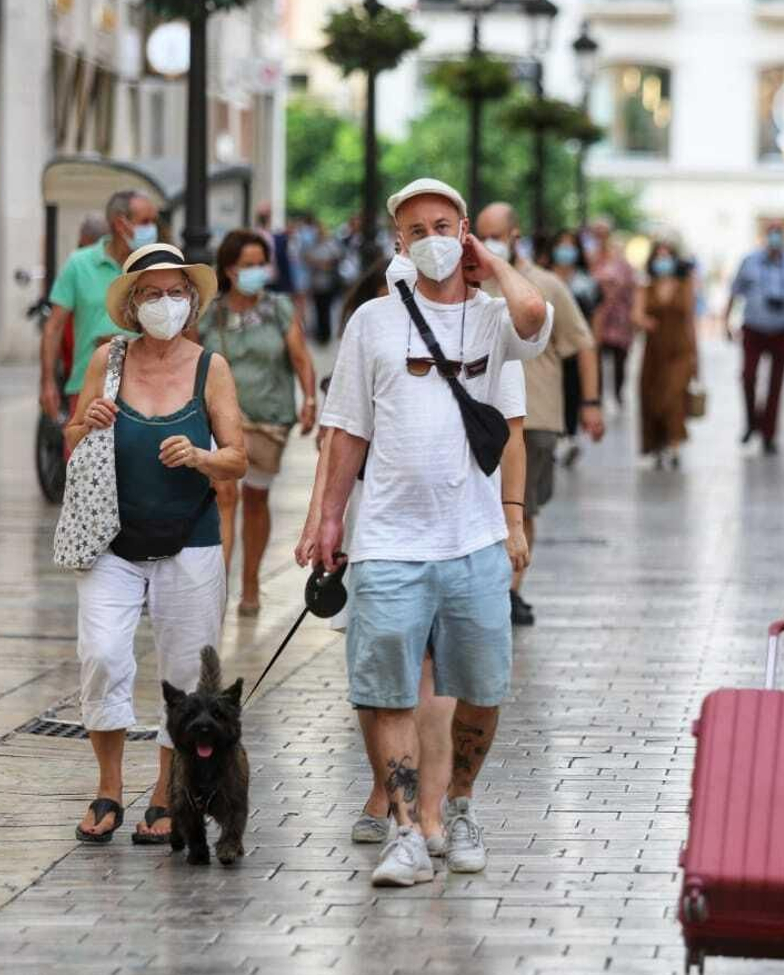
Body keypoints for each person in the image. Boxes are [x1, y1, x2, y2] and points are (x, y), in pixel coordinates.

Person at [314, 177, 551, 887]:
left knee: (482, 688)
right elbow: (347, 428)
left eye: (442, 225)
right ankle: (406, 828)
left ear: (465, 229)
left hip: (473, 540)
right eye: (415, 230)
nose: (430, 239)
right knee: (387, 688)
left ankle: (462, 802)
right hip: (389, 538)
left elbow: (534, 316)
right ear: (397, 243)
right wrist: (328, 516)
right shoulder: (373, 324)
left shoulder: (490, 319)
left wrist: (491, 260)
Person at [63, 243, 248, 845]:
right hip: (112, 542)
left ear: (191, 301)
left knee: (187, 674)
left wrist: (199, 457)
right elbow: (70, 438)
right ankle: (109, 788)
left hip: (190, 541)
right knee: (102, 656)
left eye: (174, 293)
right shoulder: (108, 359)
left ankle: (168, 794)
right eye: (150, 293)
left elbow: (237, 459)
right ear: (131, 304)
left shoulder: (209, 367)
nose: (163, 303)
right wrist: (85, 421)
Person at [475, 203, 604, 626]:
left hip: (536, 416)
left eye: (496, 233)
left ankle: (511, 590)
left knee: (522, 506)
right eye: (482, 233)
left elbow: (582, 343)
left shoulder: (545, 285)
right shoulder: (472, 284)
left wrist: (591, 403)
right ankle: (486, 588)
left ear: (515, 235)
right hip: (480, 417)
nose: (489, 241)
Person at [197, 229, 319, 615]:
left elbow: (300, 356)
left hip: (269, 418)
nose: (256, 271)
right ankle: (217, 585)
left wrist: (310, 398)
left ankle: (250, 580)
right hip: (218, 419)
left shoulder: (279, 308)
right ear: (229, 269)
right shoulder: (209, 313)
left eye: (260, 264)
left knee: (255, 499)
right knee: (224, 494)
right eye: (247, 265)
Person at [41, 190, 160, 424]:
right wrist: (47, 382)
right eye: (145, 222)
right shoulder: (79, 263)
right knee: (84, 459)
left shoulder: (154, 267)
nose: (152, 229)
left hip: (146, 388)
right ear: (119, 223)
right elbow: (53, 328)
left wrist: (121, 343)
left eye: (153, 222)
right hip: (87, 387)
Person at [724, 222, 784, 455]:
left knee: (776, 383)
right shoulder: (750, 261)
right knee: (748, 376)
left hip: (783, 329)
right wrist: (726, 321)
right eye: (771, 233)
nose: (775, 238)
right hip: (754, 327)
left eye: (779, 234)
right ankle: (751, 421)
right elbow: (735, 291)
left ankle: (769, 434)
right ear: (765, 236)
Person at [634, 240, 699, 468]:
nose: (663, 261)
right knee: (653, 398)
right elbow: (637, 315)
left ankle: (674, 445)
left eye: (667, 255)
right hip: (654, 351)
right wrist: (645, 322)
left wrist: (695, 355)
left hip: (680, 350)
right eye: (658, 256)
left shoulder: (685, 283)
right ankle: (658, 444)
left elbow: (691, 319)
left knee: (673, 397)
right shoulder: (646, 286)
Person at [545, 229, 603, 466]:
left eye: (571, 246)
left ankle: (569, 435)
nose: (565, 251)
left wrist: (593, 344)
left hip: (577, 350)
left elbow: (596, 315)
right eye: (561, 245)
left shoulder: (586, 282)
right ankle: (555, 434)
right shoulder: (544, 278)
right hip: (548, 350)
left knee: (572, 391)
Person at [589, 220, 637, 410]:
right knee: (596, 357)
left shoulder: (621, 260)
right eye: (597, 232)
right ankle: (596, 395)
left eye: (603, 232)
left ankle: (618, 393)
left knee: (619, 359)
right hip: (596, 318)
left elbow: (632, 287)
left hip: (619, 319)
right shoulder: (590, 258)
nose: (600, 236)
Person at [304, 219, 344, 344]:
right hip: (316, 282)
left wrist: (324, 264)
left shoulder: (331, 245)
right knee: (317, 308)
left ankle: (325, 335)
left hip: (328, 282)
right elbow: (306, 258)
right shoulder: (313, 245)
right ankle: (319, 333)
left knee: (326, 309)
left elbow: (338, 258)